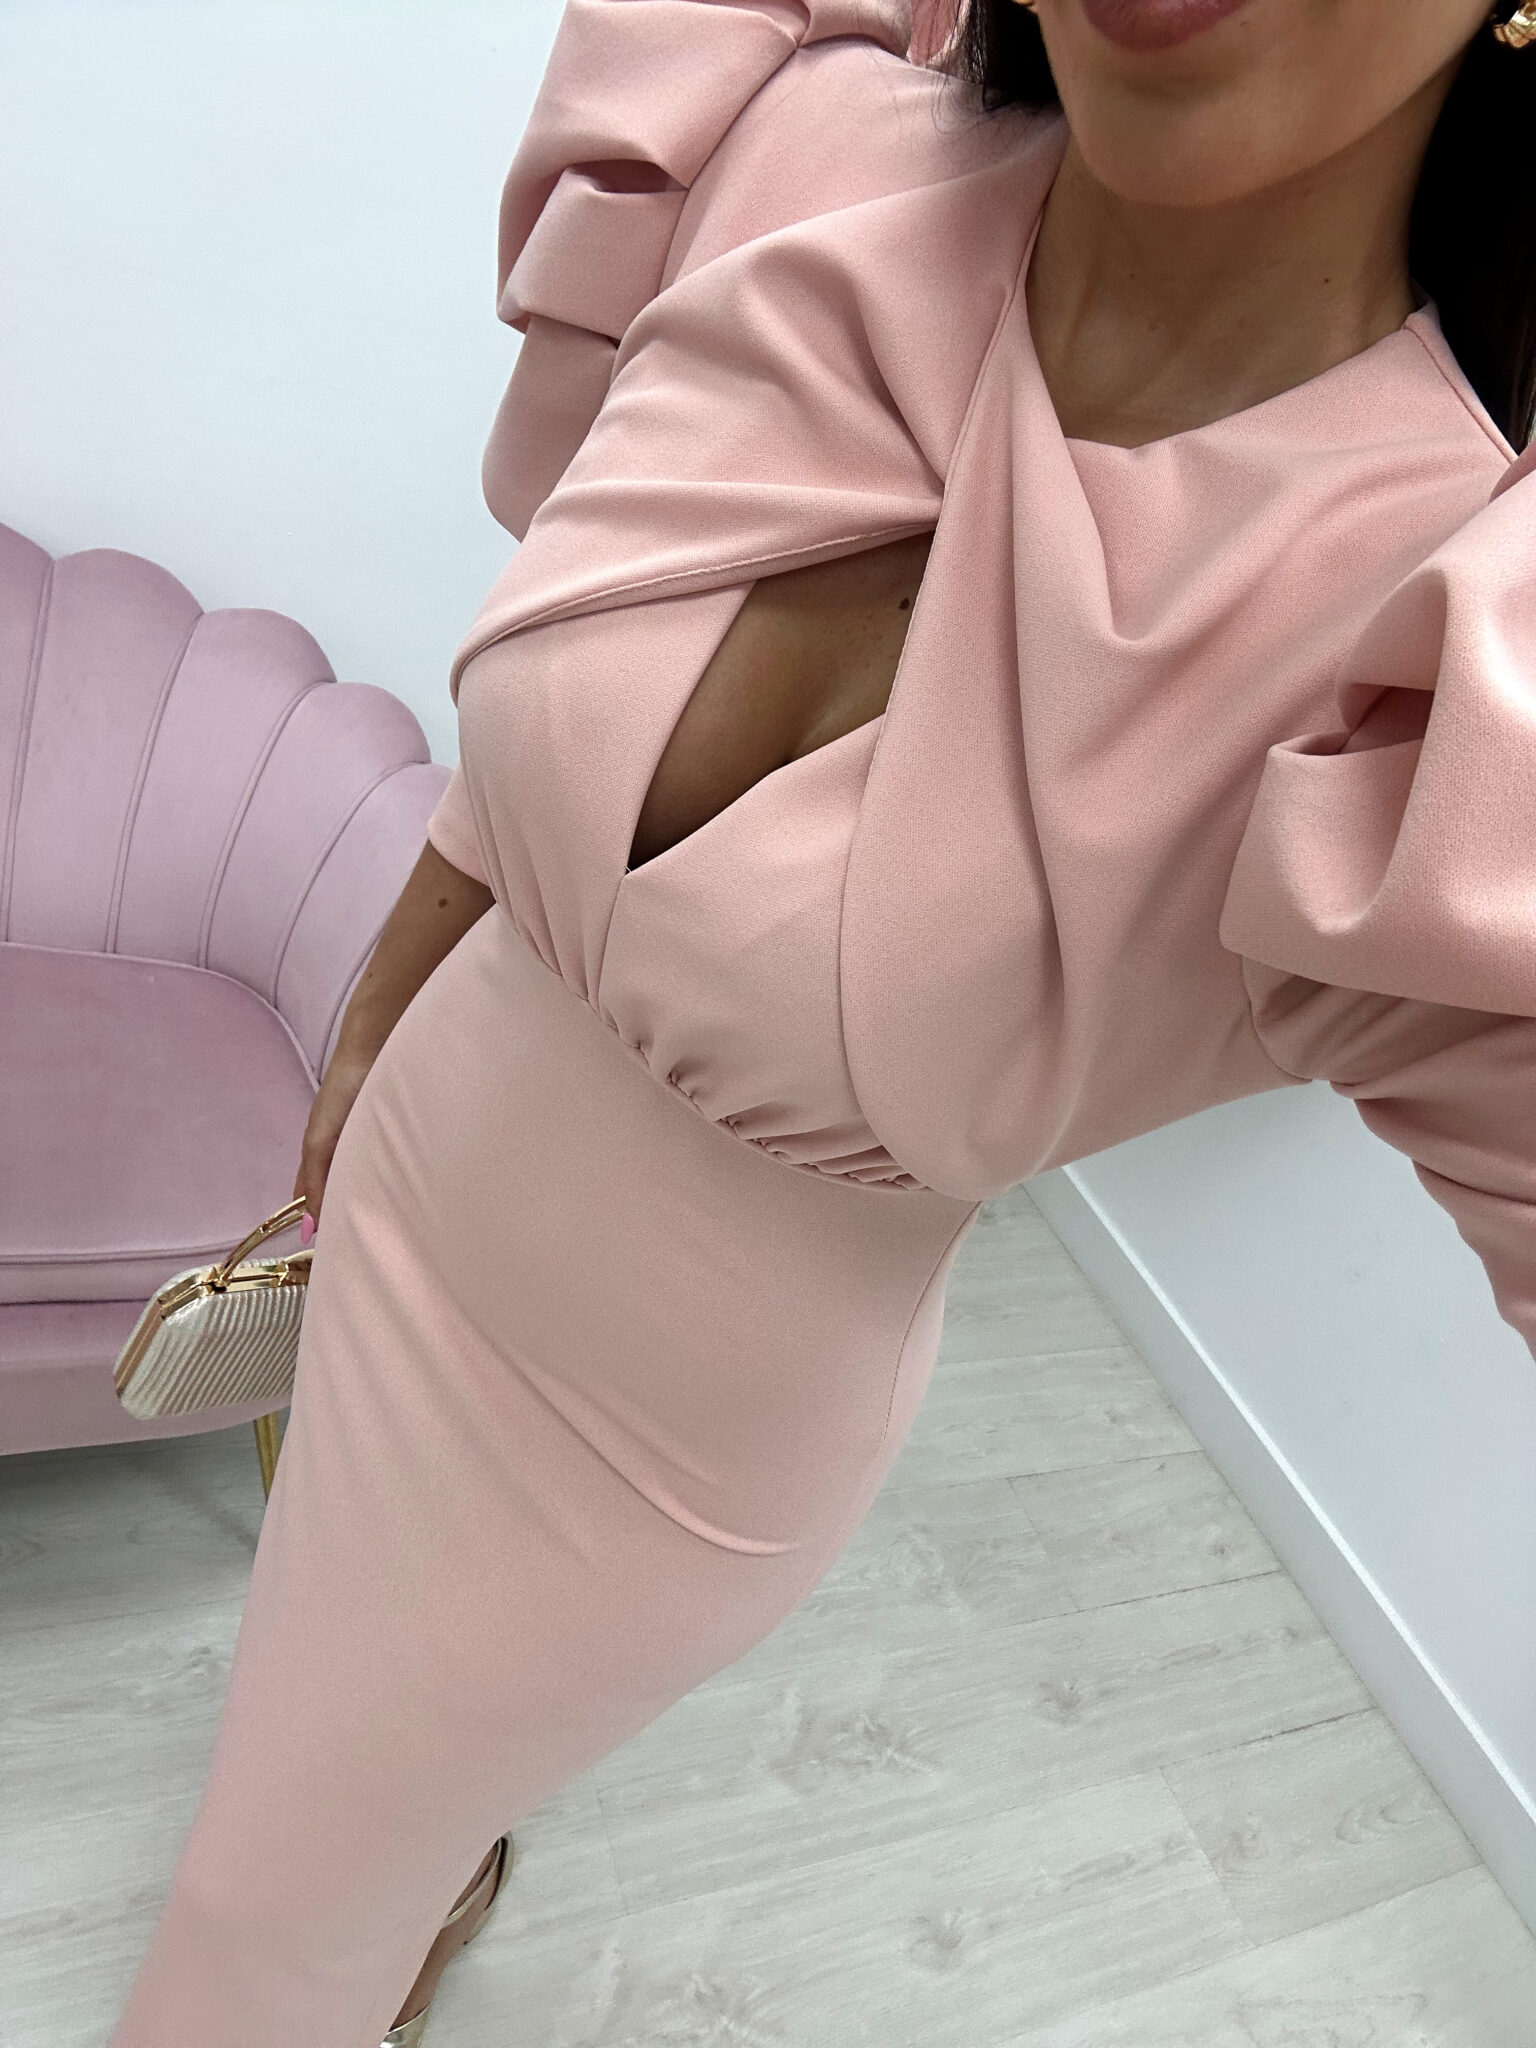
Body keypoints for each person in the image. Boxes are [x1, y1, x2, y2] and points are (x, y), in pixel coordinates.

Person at [111, 0, 1536, 2040]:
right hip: (423, 1158)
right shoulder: (808, 153)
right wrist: (379, 1010)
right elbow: (542, 716)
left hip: (652, 1452)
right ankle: (429, 1867)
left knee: (258, 1927)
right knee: (319, 1744)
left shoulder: (1445, 655)